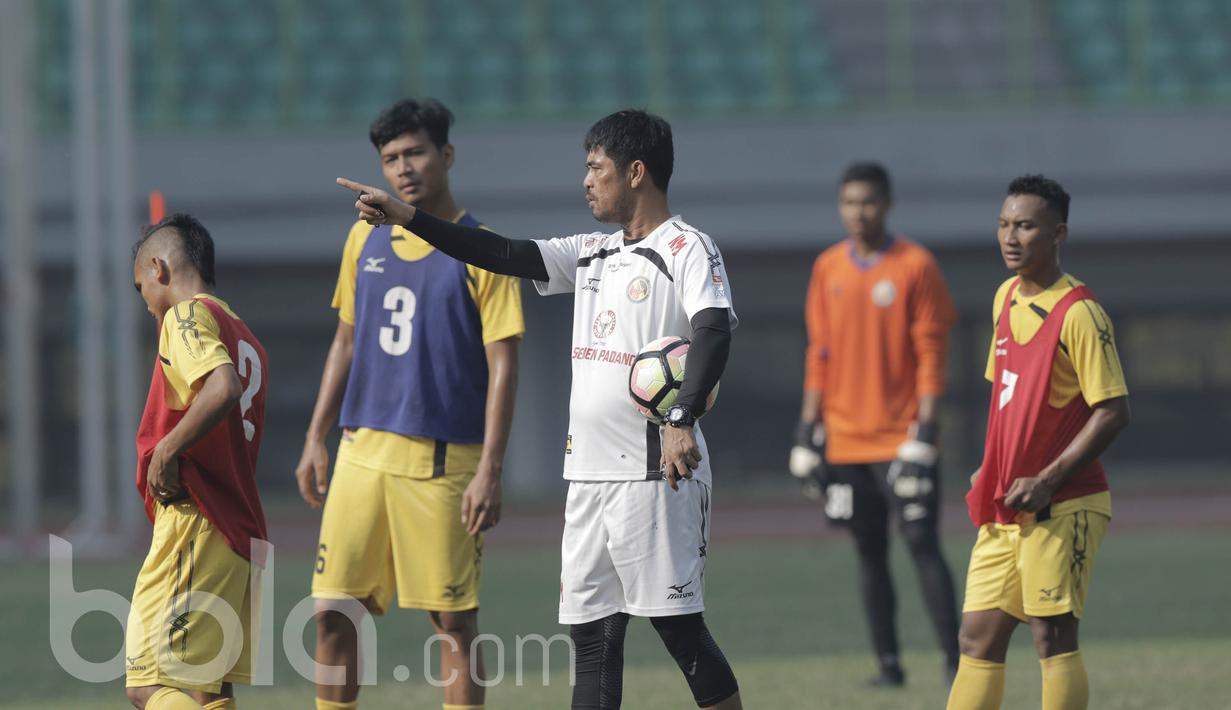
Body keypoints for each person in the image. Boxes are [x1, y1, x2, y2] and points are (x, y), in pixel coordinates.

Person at [337, 109, 742, 710]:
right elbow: (499, 252)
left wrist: (681, 419)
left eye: (594, 168)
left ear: (635, 172)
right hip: (587, 479)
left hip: (656, 475)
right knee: (591, 641)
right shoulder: (591, 253)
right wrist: (409, 220)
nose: (585, 180)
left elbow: (712, 329)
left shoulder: (686, 247)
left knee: (677, 629)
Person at [295, 98, 523, 710]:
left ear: (446, 155)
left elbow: (505, 360)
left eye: (416, 152)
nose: (403, 168)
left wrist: (490, 470)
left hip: (443, 463)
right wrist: (316, 435)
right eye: (391, 158)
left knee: (452, 628)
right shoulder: (361, 240)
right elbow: (345, 339)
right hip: (360, 454)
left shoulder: (483, 248)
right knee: (332, 616)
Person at [946, 175, 1130, 710]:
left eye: (1025, 226)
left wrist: (1049, 478)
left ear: (1058, 234)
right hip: (1005, 507)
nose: (1010, 236)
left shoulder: (1079, 312)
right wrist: (988, 466)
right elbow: (1005, 395)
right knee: (975, 639)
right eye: (1004, 224)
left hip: (1064, 504)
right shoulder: (1006, 297)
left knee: (1052, 638)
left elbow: (1113, 411)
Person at [788, 162, 961, 686]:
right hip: (843, 441)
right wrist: (805, 431)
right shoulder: (827, 269)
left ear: (887, 204)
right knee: (868, 553)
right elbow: (819, 354)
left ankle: (960, 664)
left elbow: (931, 353)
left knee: (922, 544)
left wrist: (926, 432)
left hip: (901, 438)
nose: (858, 212)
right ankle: (889, 666)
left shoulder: (916, 265)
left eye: (867, 202)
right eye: (849, 202)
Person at [125, 214, 269, 710]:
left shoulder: (184, 317)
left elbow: (221, 388)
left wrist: (165, 449)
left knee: (145, 683)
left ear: (158, 268)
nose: (145, 303)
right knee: (209, 692)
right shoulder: (246, 335)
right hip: (237, 529)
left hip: (197, 522)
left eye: (140, 285)